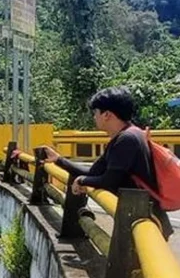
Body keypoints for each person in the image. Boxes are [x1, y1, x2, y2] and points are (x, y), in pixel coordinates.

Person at [38, 86, 172, 237]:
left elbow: (109, 181)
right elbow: (94, 172)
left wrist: (82, 181)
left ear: (107, 114)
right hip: (137, 215)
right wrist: (58, 160)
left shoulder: (127, 139)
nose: (94, 117)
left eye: (95, 113)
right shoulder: (125, 136)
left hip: (147, 220)